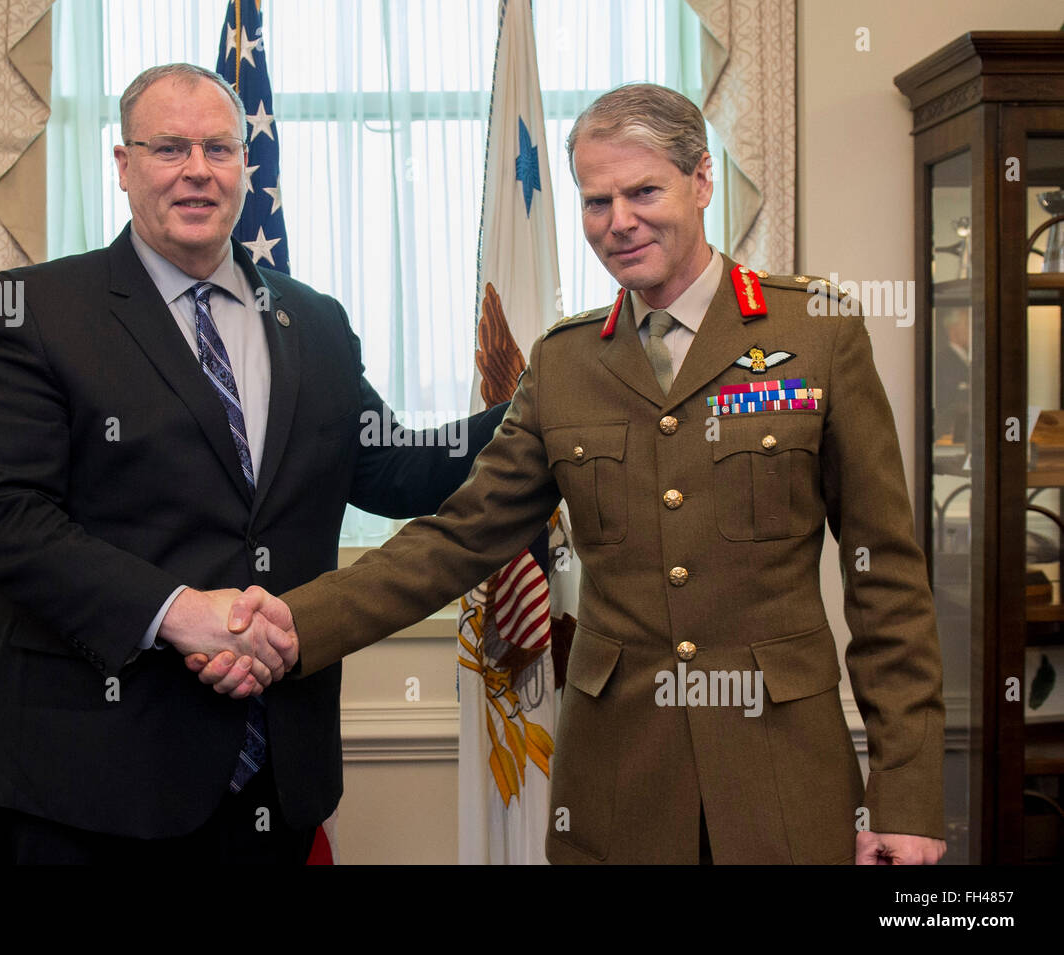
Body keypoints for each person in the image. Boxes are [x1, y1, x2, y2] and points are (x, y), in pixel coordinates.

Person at [200, 82, 948, 865]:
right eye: (596, 201)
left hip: (784, 773)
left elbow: (887, 578)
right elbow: (459, 539)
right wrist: (290, 625)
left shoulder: (815, 333)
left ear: (701, 181)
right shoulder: (565, 363)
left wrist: (905, 798)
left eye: (643, 191)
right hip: (619, 785)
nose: (618, 222)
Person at [0, 63, 505, 864]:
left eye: (218, 147)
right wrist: (178, 611)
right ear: (124, 164)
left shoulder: (312, 320)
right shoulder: (33, 311)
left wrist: (544, 402)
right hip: (85, 787)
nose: (197, 170)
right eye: (169, 148)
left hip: (273, 778)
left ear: (247, 164)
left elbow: (397, 470)